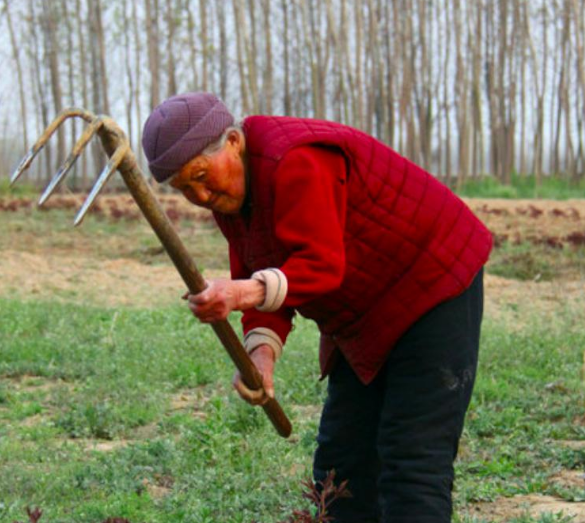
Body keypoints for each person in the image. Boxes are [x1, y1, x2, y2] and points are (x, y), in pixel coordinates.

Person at [141, 92, 492, 523]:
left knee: (412, 461)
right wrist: (261, 356)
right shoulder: (231, 198)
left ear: (233, 141)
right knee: (342, 464)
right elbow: (263, 271)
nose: (201, 194)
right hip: (362, 312)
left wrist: (238, 294)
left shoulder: (296, 159)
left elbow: (320, 267)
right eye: (183, 188)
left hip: (432, 282)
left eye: (200, 175)